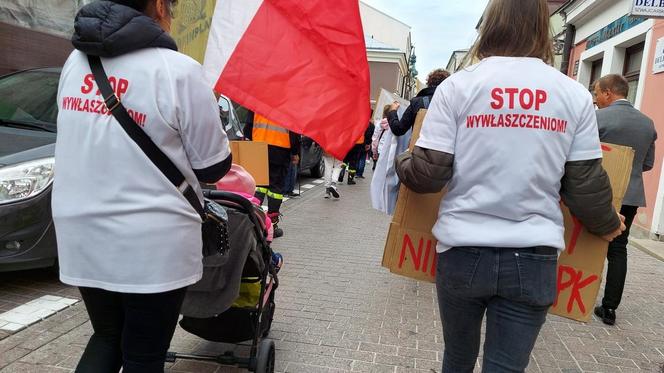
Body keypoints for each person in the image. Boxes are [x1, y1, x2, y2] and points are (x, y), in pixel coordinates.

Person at [395, 0, 625, 371]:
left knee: (457, 357)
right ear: (541, 28)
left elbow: (428, 175)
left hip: (462, 251)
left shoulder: (458, 87)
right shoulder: (573, 94)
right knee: (506, 366)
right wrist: (608, 224)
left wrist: (401, 159)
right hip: (532, 258)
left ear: (490, 25)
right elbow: (583, 181)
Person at [52, 0, 232, 371]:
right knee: (143, 354)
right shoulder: (179, 72)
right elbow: (213, 167)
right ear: (158, 6)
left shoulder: (76, 62)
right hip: (151, 239)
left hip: (81, 229)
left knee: (107, 336)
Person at [593, 74, 657, 326]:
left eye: (597, 93)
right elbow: (648, 163)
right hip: (630, 195)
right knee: (618, 248)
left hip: (596, 192)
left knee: (583, 240)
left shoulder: (598, 118)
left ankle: (570, 295)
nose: (595, 99)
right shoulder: (647, 123)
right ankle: (609, 308)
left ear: (609, 93)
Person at [244, 112, 300, 238]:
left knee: (258, 184)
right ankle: (272, 226)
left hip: (258, 146)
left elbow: (248, 125)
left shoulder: (257, 99)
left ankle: (254, 221)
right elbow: (294, 130)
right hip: (280, 149)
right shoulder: (288, 103)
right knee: (275, 188)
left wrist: (249, 142)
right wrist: (295, 152)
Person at [388, 68, 450, 136]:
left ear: (429, 83)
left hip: (420, 145)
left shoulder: (417, 102)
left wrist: (392, 111)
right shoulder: (453, 103)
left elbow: (399, 129)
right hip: (446, 145)